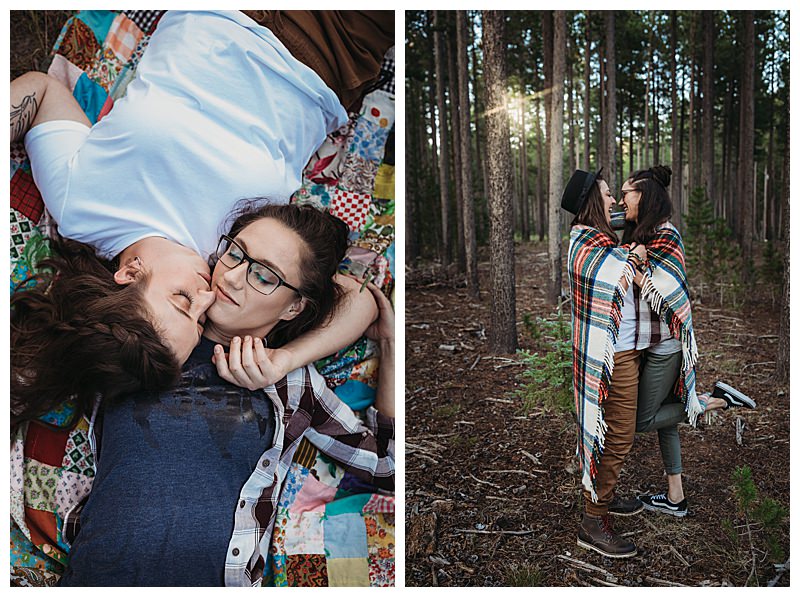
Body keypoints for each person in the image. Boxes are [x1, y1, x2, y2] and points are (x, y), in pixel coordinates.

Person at [10, 10, 393, 421]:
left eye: (182, 301)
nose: (207, 297)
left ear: (129, 274)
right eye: (198, 318)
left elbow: (42, 91)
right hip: (327, 52)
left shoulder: (80, 209)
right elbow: (358, 299)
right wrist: (285, 359)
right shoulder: (231, 265)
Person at [57, 203, 395, 587]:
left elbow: (387, 467)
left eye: (264, 276)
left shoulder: (291, 384)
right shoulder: (145, 327)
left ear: (295, 306)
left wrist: (390, 347)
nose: (232, 278)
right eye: (235, 253)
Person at [617, 165, 755, 517]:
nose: (621, 200)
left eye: (626, 194)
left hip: (667, 344)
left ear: (644, 195)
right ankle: (676, 499)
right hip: (649, 342)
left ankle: (716, 400)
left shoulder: (666, 234)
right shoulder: (642, 235)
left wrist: (634, 268)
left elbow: (664, 290)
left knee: (641, 421)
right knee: (666, 419)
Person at [563, 168, 649, 558]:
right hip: (608, 358)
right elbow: (612, 278)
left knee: (616, 432)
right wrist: (631, 256)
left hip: (624, 350)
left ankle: (604, 495)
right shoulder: (584, 243)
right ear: (592, 203)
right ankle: (593, 520)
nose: (614, 200)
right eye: (608, 194)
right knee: (615, 435)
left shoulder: (603, 241)